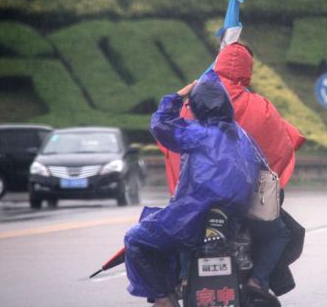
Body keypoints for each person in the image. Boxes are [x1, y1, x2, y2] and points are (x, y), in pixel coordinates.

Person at [159, 42, 306, 294]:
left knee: (173, 233)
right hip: (244, 200)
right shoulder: (260, 109)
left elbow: (168, 143)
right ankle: (258, 281)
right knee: (282, 233)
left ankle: (181, 280)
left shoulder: (189, 107)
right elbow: (280, 145)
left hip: (193, 201)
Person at [124, 71, 262, 307]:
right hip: (233, 221)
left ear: (197, 106)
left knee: (136, 239)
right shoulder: (243, 136)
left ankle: (163, 298)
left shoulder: (198, 133)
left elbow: (160, 125)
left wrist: (176, 97)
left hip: (192, 219)